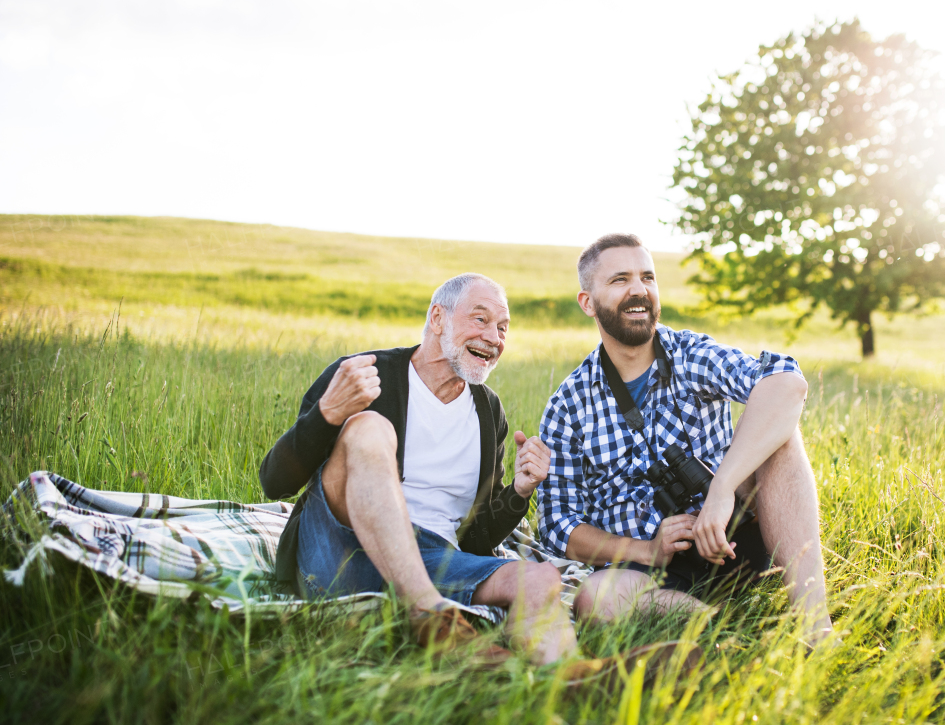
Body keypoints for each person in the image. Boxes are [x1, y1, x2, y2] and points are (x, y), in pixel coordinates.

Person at [261, 272, 646, 674]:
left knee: (539, 579)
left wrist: (519, 490)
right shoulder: (366, 375)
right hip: (340, 551)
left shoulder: (487, 412)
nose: (494, 338)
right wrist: (328, 414)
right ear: (437, 319)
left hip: (434, 558)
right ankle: (430, 614)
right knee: (370, 428)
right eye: (480, 320)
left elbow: (476, 539)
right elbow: (275, 482)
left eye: (503, 328)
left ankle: (569, 676)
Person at [537, 235, 834, 645]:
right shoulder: (568, 405)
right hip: (648, 568)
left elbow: (786, 383)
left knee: (780, 437)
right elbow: (557, 526)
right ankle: (718, 626)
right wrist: (646, 551)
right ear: (588, 302)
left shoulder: (688, 353)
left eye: (647, 277)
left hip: (732, 535)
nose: (639, 289)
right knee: (596, 597)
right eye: (620, 279)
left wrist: (721, 489)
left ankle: (816, 627)